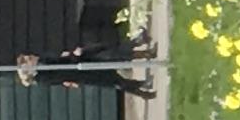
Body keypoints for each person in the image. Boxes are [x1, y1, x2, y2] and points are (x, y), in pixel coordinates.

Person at [13, 48, 153, 93]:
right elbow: (64, 72)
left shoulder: (44, 63)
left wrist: (70, 55)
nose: (32, 56)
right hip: (81, 72)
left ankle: (143, 54)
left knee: (111, 58)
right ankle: (141, 86)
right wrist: (73, 57)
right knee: (112, 79)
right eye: (29, 58)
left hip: (81, 64)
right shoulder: (43, 76)